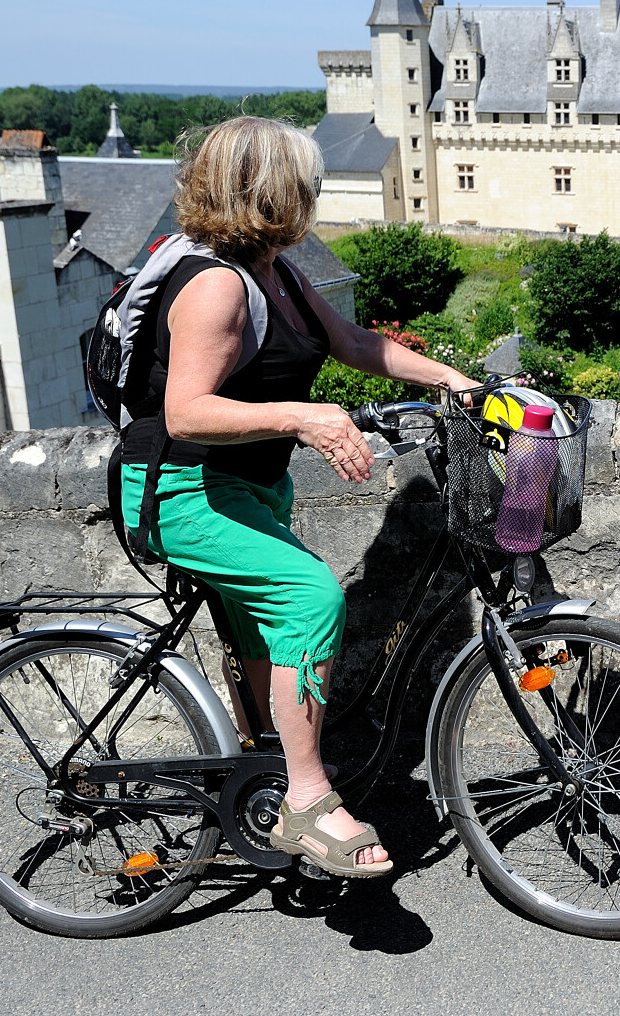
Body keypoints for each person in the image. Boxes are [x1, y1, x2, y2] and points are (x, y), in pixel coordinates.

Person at [118, 116, 481, 878]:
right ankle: (307, 799)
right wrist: (303, 415)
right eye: (304, 183)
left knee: (265, 633)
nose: (313, 195)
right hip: (183, 492)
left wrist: (455, 380)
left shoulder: (274, 270)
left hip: (247, 486)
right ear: (271, 190)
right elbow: (185, 411)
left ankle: (269, 775)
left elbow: (352, 344)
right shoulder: (216, 284)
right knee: (312, 598)